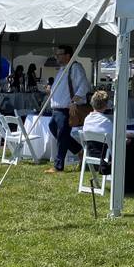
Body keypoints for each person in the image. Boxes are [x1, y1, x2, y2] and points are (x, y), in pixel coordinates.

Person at [45, 45, 89, 173]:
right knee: (55, 129)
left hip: (65, 109)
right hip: (57, 109)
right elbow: (62, 88)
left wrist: (75, 100)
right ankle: (79, 150)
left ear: (67, 55)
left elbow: (84, 86)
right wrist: (51, 90)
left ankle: (58, 166)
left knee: (62, 136)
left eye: (59, 54)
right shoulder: (63, 69)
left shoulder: (75, 67)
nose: (57, 56)